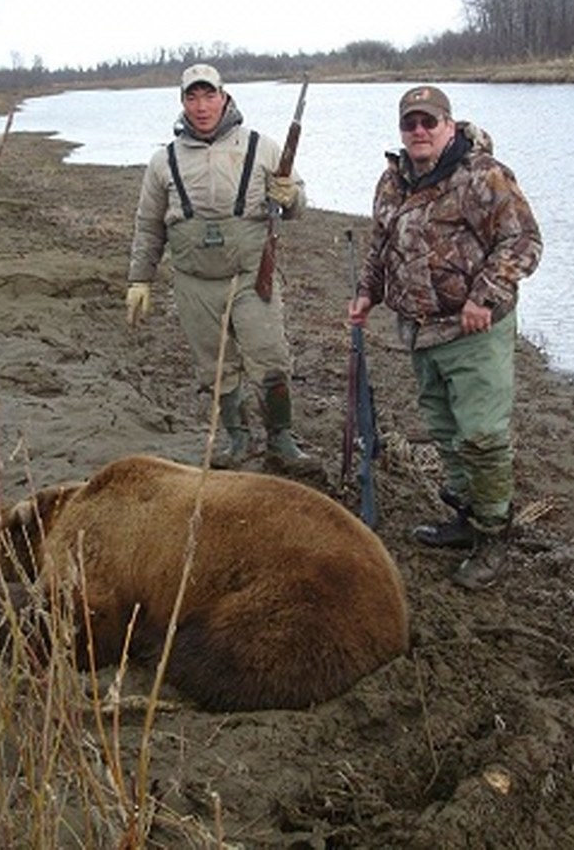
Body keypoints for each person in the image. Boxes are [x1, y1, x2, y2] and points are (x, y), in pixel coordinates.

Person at [348, 85, 543, 589]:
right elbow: (381, 243)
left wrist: (484, 296)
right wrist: (367, 292)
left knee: (481, 434)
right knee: (446, 431)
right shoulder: (393, 181)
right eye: (410, 123)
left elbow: (523, 240)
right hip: (421, 331)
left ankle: (493, 535)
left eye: (428, 123)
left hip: (474, 330)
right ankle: (464, 518)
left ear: (448, 127)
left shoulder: (482, 176)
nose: (418, 131)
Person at [125, 64, 311, 469]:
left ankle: (281, 439)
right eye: (192, 97)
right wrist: (140, 279)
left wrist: (290, 195)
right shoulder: (163, 161)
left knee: (271, 357)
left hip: (251, 277)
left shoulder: (262, 147)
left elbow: (297, 208)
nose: (202, 106)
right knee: (215, 367)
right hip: (193, 283)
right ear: (183, 102)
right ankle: (237, 441)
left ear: (224, 97)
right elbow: (147, 224)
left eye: (209, 95)